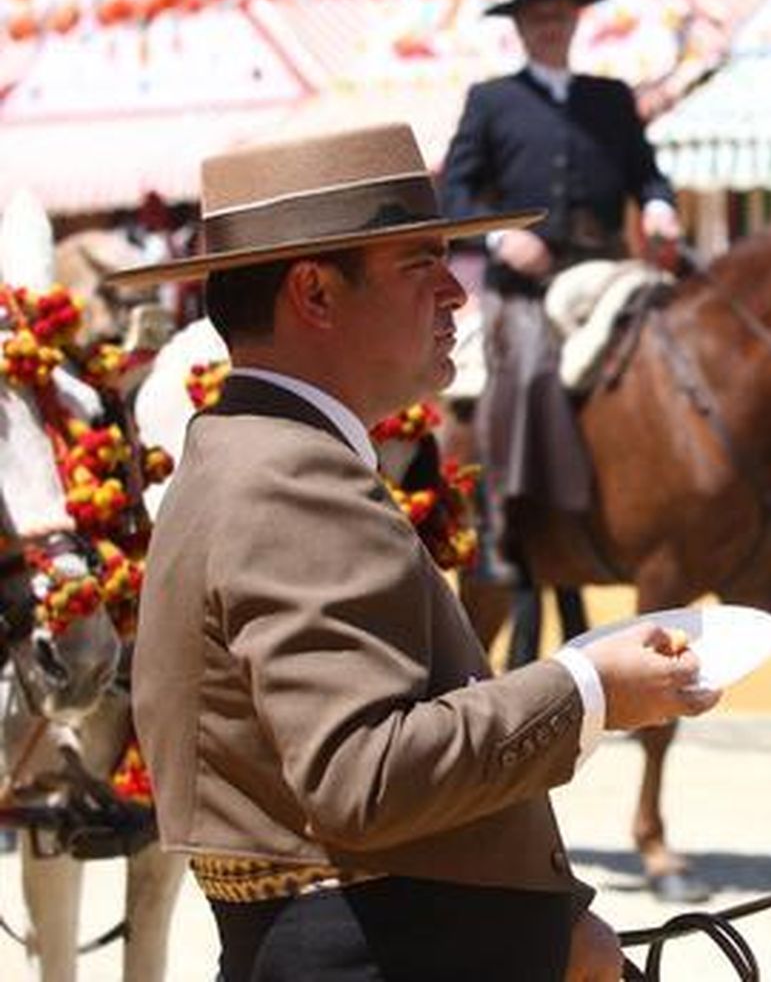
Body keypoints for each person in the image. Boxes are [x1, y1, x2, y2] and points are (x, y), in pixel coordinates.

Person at [120, 124, 719, 982]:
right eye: (419, 266)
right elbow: (361, 776)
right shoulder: (291, 479)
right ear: (316, 294)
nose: (456, 294)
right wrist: (592, 690)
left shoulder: (243, 454)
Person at [440, 0, 681, 658]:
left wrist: (661, 207)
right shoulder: (490, 100)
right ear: (519, 26)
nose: (551, 26)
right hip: (526, 283)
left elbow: (646, 172)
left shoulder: (609, 98)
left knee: (670, 343)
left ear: (577, 20)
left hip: (606, 268)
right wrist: (500, 235)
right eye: (538, 16)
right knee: (529, 366)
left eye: (562, 14)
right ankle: (517, 523)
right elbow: (456, 196)